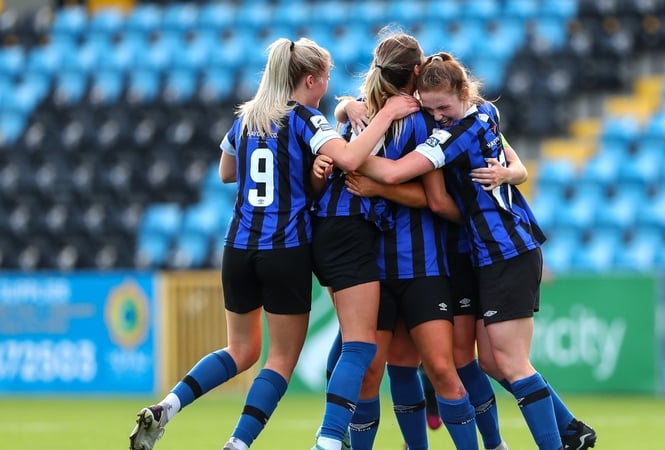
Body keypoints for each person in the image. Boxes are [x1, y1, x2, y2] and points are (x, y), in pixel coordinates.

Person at [127, 37, 418, 450]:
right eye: (327, 79)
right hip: (285, 248)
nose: (329, 86)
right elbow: (350, 160)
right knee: (280, 360)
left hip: (238, 247)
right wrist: (386, 114)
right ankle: (239, 443)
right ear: (311, 80)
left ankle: (168, 406)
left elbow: (228, 171)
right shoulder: (305, 119)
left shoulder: (247, 119)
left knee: (239, 350)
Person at [355, 52, 597, 450]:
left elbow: (397, 174)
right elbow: (515, 161)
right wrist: (349, 106)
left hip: (504, 250)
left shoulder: (459, 131)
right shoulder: (482, 111)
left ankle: (560, 440)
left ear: (463, 93)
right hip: (483, 253)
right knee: (484, 362)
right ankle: (567, 428)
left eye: (443, 107)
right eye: (429, 108)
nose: (437, 117)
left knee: (510, 363)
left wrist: (354, 162)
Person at [314, 29, 479, 450]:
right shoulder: (362, 115)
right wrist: (346, 106)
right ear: (417, 70)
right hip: (372, 264)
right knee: (377, 371)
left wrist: (373, 184)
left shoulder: (429, 120)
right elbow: (342, 114)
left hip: (423, 263)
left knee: (440, 368)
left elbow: (432, 197)